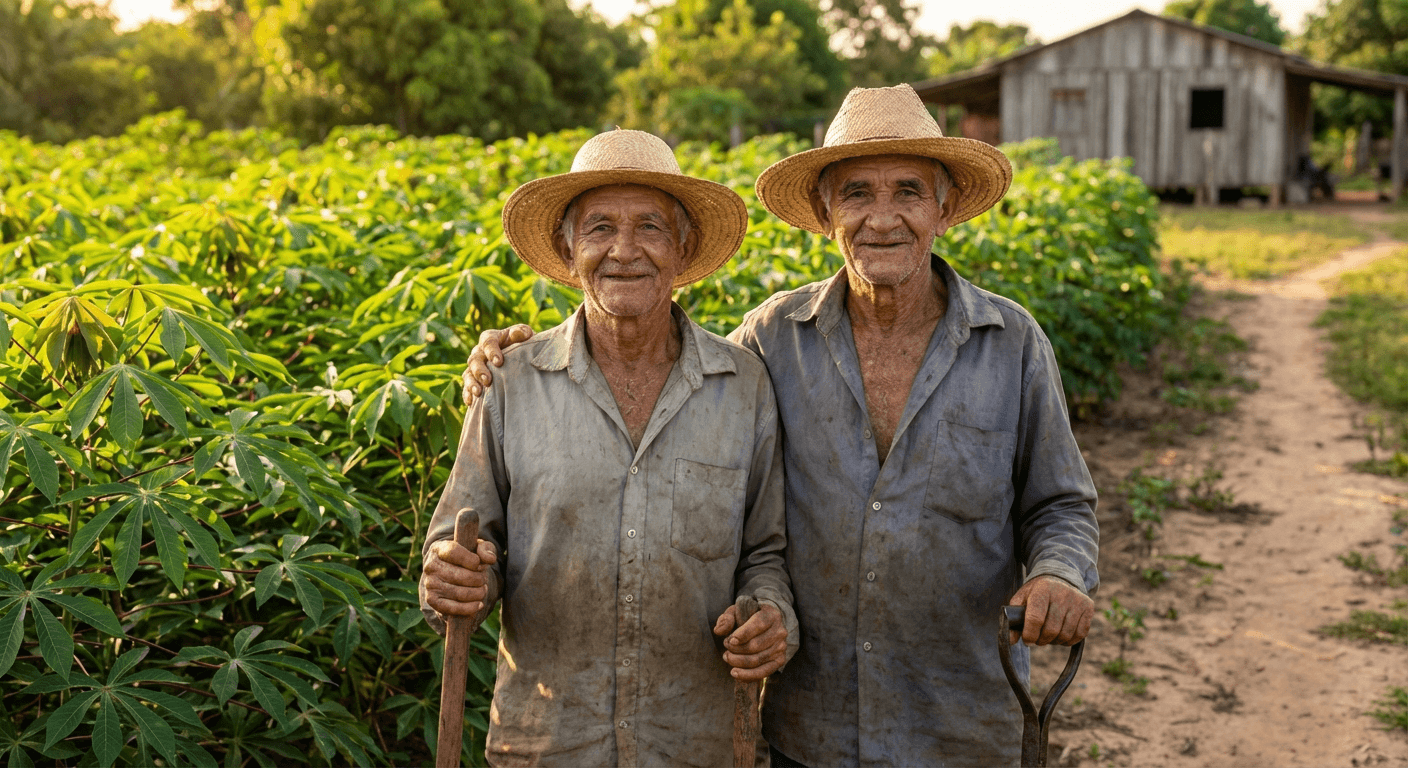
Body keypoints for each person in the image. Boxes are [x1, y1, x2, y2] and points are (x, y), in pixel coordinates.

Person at [463, 85, 1099, 766]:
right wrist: (516, 361)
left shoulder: (1012, 343)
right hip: (810, 729)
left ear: (943, 208)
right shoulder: (770, 341)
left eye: (908, 191)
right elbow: (656, 378)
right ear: (826, 211)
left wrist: (1061, 573)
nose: (882, 218)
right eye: (857, 193)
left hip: (963, 720)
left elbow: (1060, 503)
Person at [419, 129, 798, 767]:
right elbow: (460, 548)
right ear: (569, 250)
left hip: (698, 747)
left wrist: (768, 613)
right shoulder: (510, 382)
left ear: (683, 247)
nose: (624, 250)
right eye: (599, 228)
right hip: (546, 744)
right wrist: (451, 579)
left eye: (650, 226)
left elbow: (766, 551)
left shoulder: (744, 386)